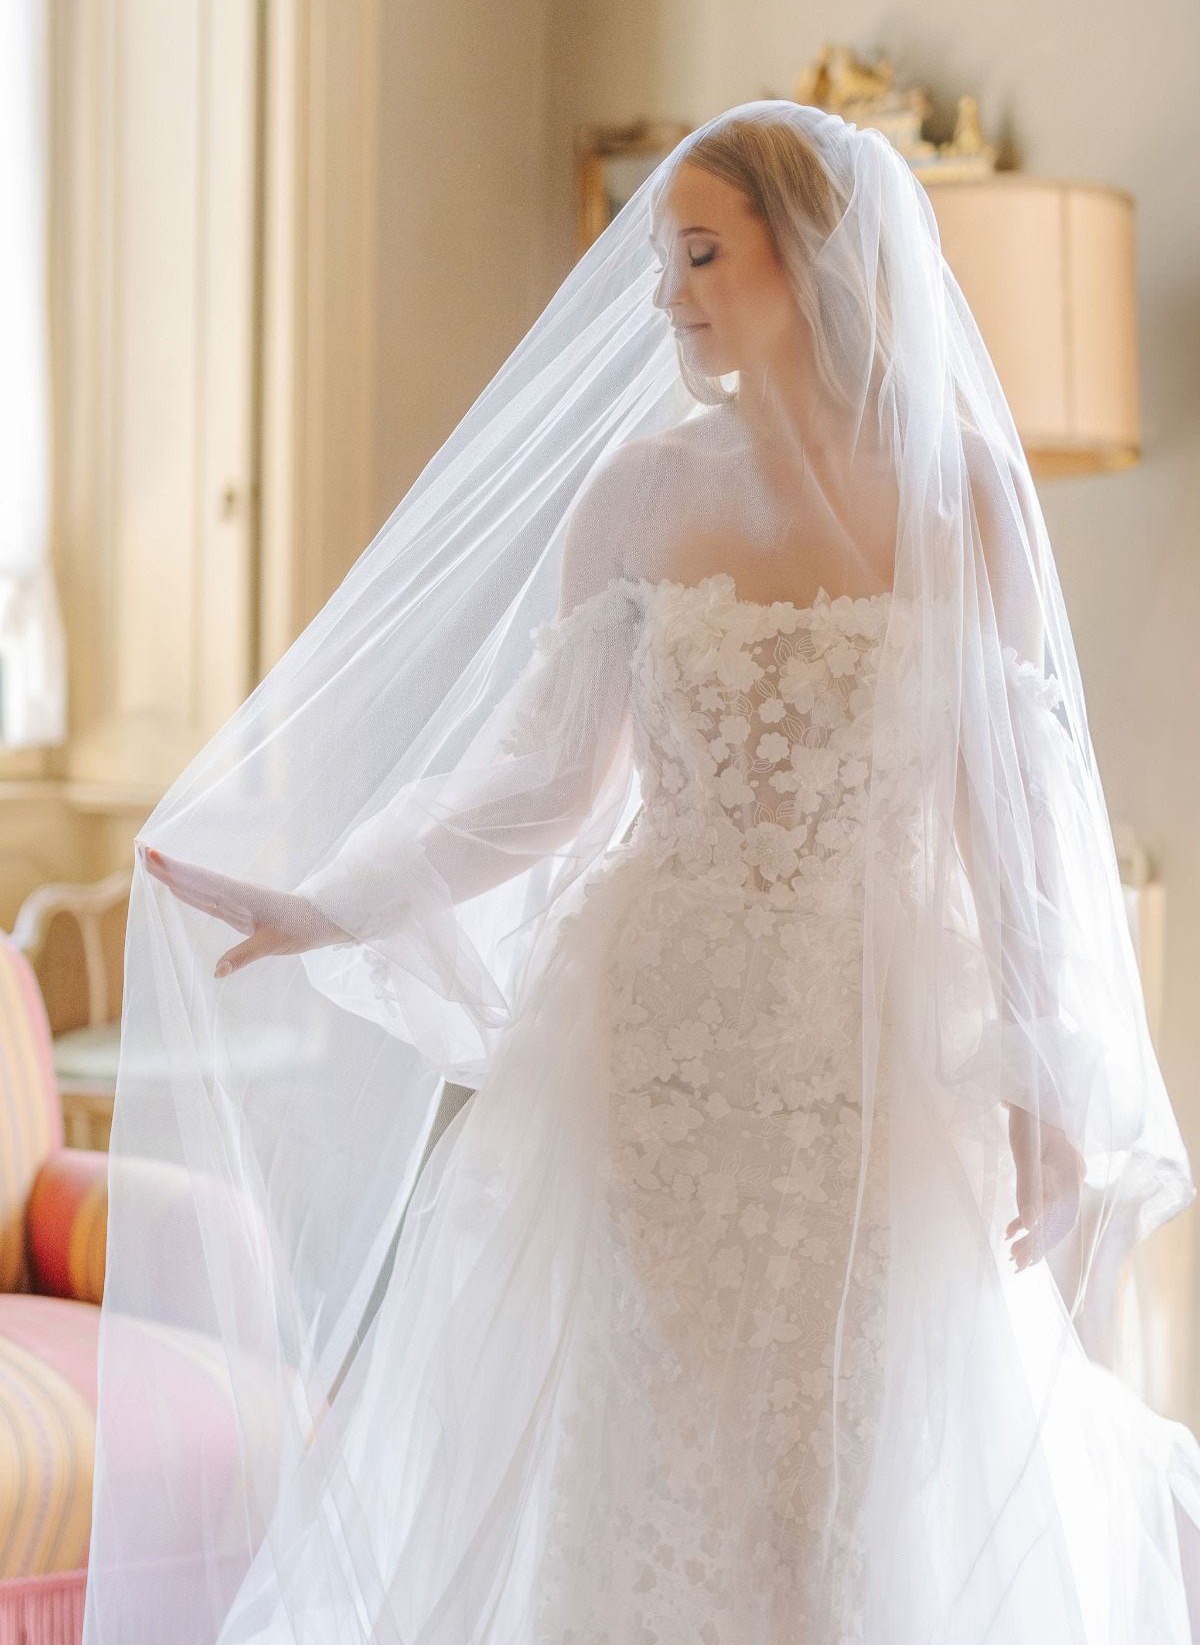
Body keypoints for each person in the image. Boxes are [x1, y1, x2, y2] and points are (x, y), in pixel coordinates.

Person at [85, 104, 1200, 1645]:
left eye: (696, 252)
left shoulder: (967, 502)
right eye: (664, 256)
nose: (664, 291)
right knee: (642, 1454)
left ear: (805, 260)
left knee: (841, 1464)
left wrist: (1040, 1087)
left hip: (876, 1071)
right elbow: (540, 787)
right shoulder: (635, 494)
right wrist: (330, 898)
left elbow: (1007, 820)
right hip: (652, 1058)